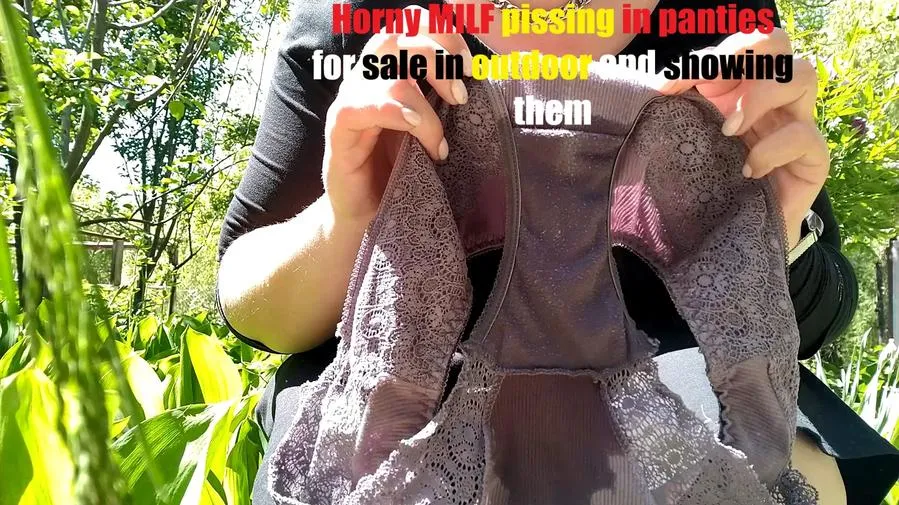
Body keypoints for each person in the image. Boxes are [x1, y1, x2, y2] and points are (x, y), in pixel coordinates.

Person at [215, 0, 899, 503]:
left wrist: (768, 227)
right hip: (400, 376)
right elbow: (255, 311)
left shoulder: (717, 21)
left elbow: (817, 313)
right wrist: (349, 213)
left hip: (672, 373)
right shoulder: (357, 20)